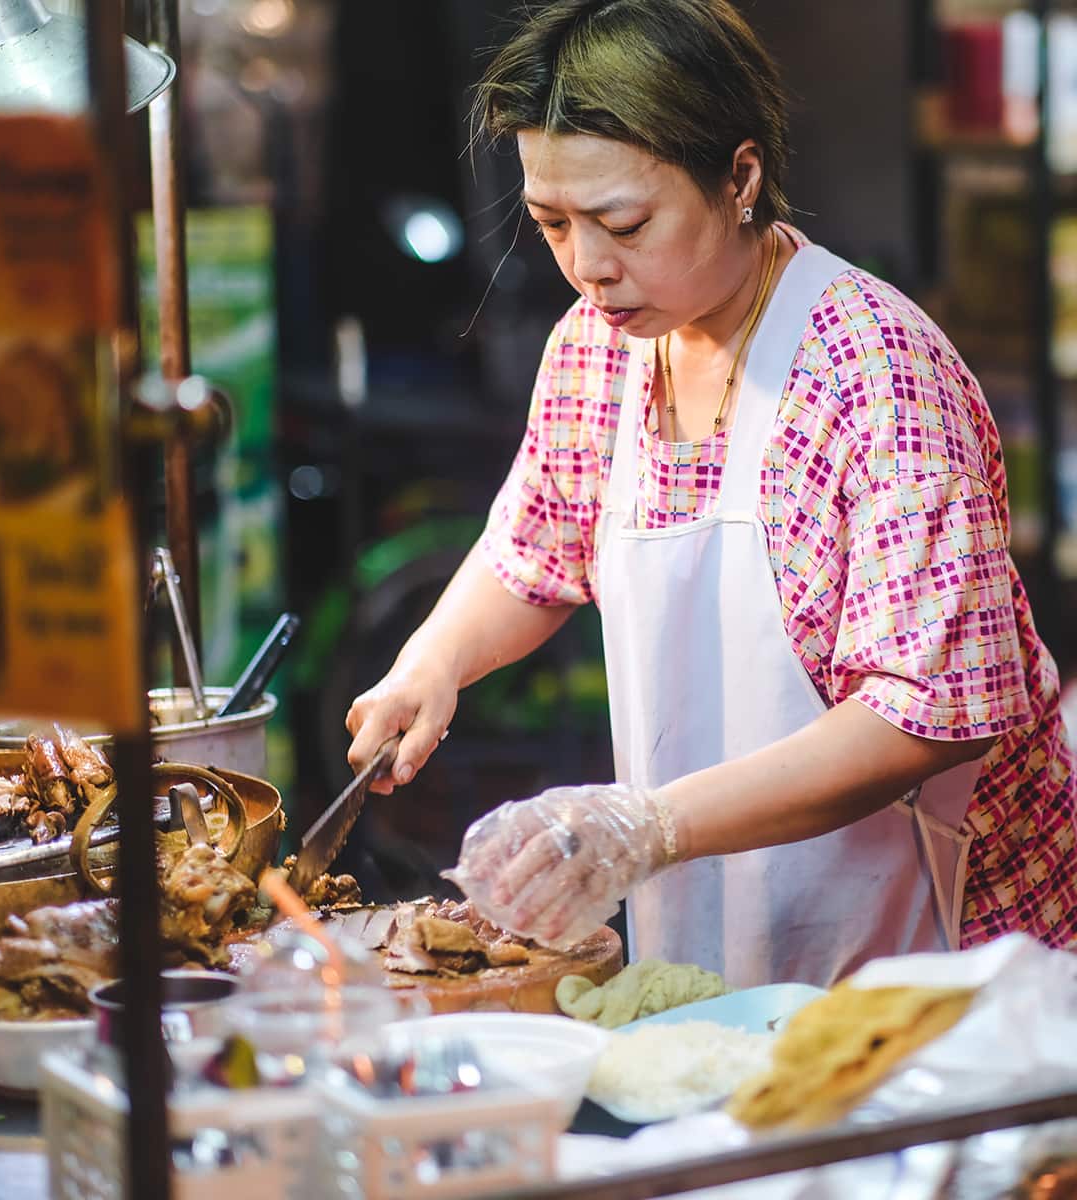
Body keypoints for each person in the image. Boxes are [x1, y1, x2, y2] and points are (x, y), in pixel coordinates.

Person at [345, 0, 1077, 986]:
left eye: (624, 223)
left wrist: (651, 823)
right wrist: (431, 660)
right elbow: (536, 545)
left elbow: (921, 717)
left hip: (945, 959)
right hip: (712, 917)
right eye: (552, 223)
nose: (588, 267)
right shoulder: (598, 350)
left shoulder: (876, 374)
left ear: (741, 178)